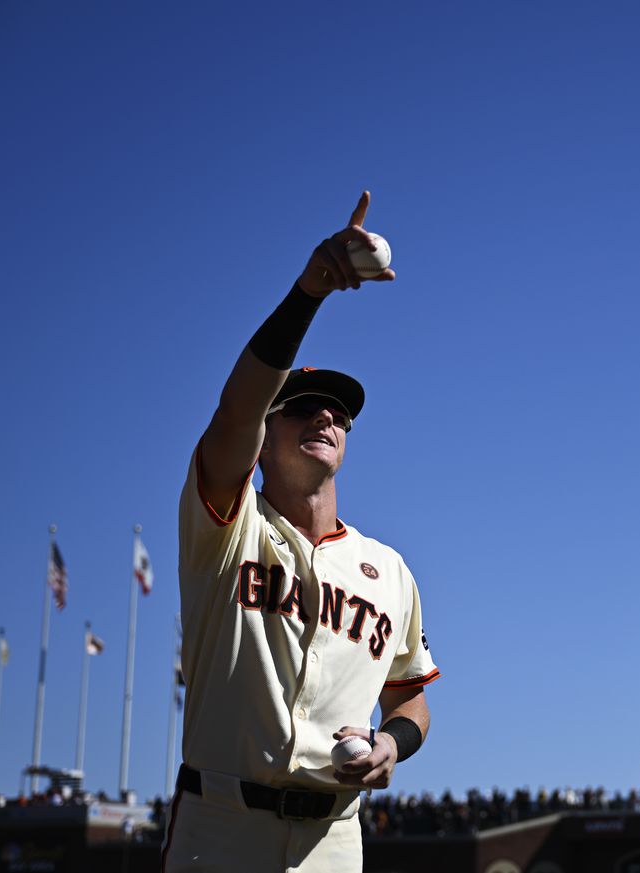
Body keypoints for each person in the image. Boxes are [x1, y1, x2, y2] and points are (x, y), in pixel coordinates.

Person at [163, 192, 440, 873]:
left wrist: (392, 745)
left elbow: (411, 696)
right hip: (220, 826)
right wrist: (308, 292)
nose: (325, 417)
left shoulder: (390, 569)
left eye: (338, 413)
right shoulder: (227, 526)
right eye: (302, 408)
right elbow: (236, 410)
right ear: (265, 437)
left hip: (334, 838)